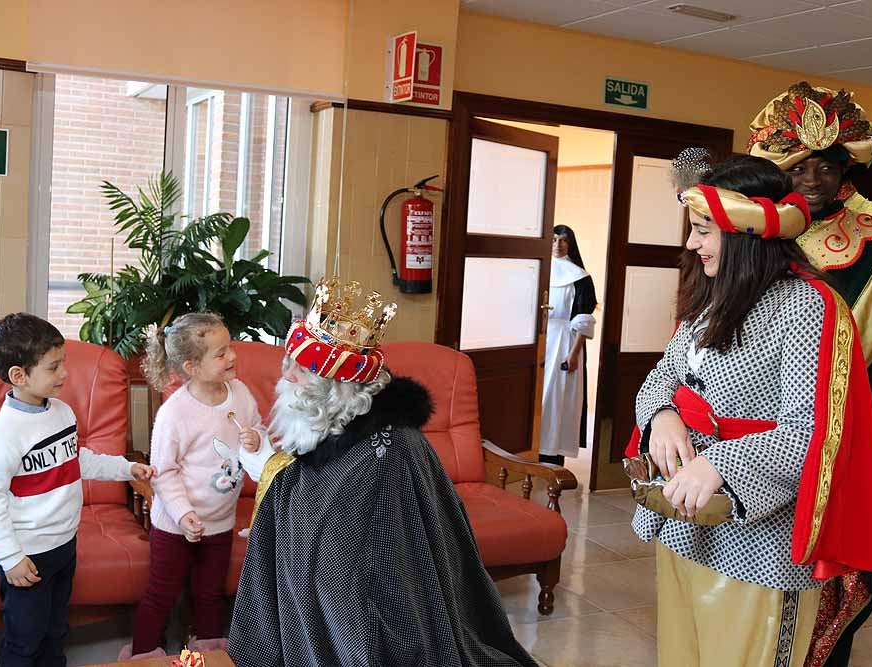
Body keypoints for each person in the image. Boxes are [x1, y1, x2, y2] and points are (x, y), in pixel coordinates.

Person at [628, 156, 872, 667]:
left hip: (762, 541)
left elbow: (813, 430)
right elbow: (663, 376)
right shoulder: (713, 297)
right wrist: (661, 414)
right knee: (684, 653)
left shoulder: (806, 306)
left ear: (745, 232)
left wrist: (720, 464)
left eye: (704, 231)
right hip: (686, 521)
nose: (691, 244)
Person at [227, 278, 539, 667]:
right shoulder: (326, 431)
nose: (286, 378)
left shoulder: (389, 453)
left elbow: (382, 572)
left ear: (337, 387)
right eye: (288, 364)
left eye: (302, 371)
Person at [748, 82, 872, 665]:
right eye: (800, 167)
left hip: (826, 416)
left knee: (819, 569)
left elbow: (870, 346)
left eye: (826, 166)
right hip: (745, 418)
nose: (814, 180)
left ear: (847, 166)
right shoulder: (758, 221)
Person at [0, 313, 156, 667]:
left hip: (64, 546)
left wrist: (126, 467)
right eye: (54, 367)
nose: (65, 374)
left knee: (55, 632)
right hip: (27, 556)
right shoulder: (3, 436)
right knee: (24, 640)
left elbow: (78, 460)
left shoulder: (61, 413)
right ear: (18, 376)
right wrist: (10, 558)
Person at [120, 313, 270, 659]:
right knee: (162, 592)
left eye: (229, 348)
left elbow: (260, 432)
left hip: (220, 520)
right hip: (175, 524)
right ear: (191, 366)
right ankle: (143, 653)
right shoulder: (175, 413)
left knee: (209, 592)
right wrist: (184, 514)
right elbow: (165, 472)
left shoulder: (242, 394)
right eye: (220, 353)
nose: (231, 357)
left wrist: (255, 439)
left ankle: (208, 651)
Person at [539, 225, 597, 465]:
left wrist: (574, 354)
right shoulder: (541, 269)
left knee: (558, 397)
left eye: (563, 240)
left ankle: (553, 454)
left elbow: (583, 319)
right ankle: (533, 452)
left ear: (570, 244)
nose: (558, 245)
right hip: (543, 338)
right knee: (539, 397)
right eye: (553, 240)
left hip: (565, 341)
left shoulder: (580, 277)